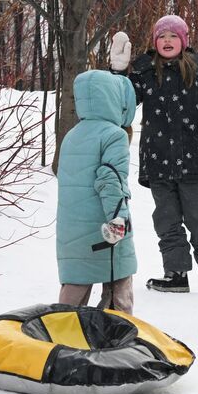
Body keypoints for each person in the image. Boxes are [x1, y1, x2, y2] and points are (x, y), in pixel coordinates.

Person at [109, 15, 198, 293]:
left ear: (184, 41)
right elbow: (120, 105)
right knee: (166, 220)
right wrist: (119, 74)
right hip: (158, 162)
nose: (167, 41)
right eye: (162, 36)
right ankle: (176, 274)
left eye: (173, 36)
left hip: (193, 162)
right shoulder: (144, 74)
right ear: (155, 43)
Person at [56, 69, 139, 313]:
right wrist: (119, 220)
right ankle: (119, 340)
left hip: (72, 230)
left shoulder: (72, 135)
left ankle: (61, 333)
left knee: (73, 293)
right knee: (119, 288)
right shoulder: (114, 135)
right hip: (105, 228)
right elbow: (110, 181)